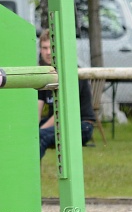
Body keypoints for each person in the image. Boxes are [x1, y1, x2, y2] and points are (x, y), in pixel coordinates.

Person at [37, 30, 95, 159]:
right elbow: (38, 109)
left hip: (81, 125)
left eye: (51, 48)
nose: (47, 52)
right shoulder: (44, 74)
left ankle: (31, 178)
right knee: (26, 136)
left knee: (39, 137)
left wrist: (37, 132)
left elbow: (62, 112)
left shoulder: (71, 71)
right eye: (44, 48)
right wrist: (31, 130)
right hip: (58, 122)